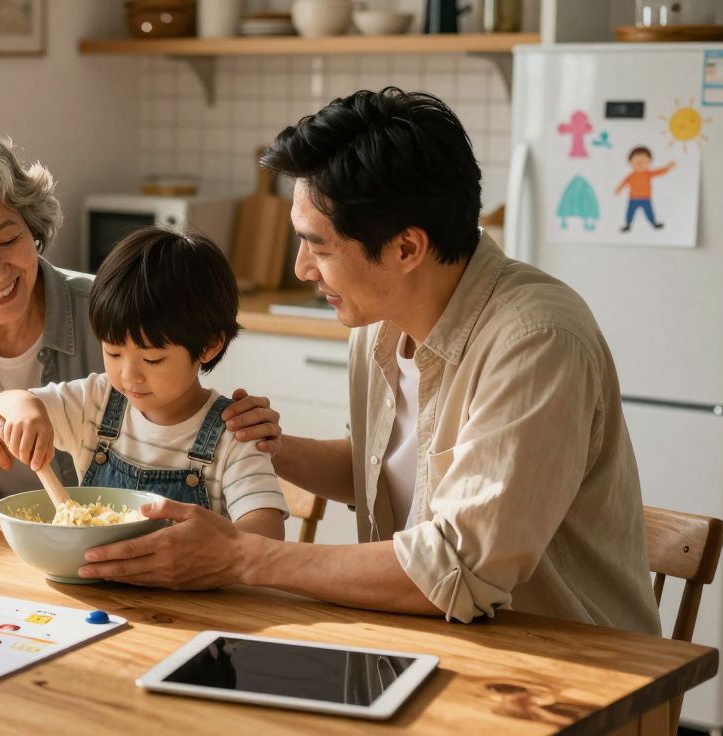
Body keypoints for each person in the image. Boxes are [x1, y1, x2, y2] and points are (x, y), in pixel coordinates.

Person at [79, 88, 662, 635]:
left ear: (407, 248)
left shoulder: (536, 341)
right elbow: (381, 469)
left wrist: (243, 556)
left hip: (564, 666)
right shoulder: (379, 318)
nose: (303, 269)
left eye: (319, 245)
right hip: (423, 638)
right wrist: (269, 447)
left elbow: (458, 568)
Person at [0, 129, 276, 514]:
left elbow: (186, 419)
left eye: (9, 239)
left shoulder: (108, 312)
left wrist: (238, 430)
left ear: (32, 227)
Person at [0, 228, 287, 540]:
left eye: (152, 360)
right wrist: (27, 412)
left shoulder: (235, 434)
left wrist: (220, 545)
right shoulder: (97, 401)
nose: (129, 375)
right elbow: (7, 401)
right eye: (113, 352)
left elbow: (266, 534)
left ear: (208, 346)